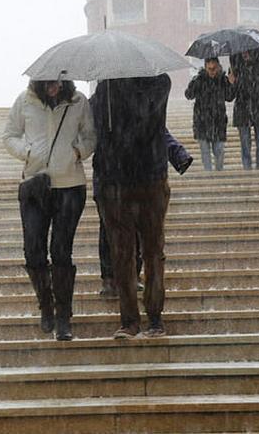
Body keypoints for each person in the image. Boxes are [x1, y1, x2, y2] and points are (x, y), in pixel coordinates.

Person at [4, 79, 96, 341]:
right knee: (33, 251)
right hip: (35, 184)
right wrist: (27, 151)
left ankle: (63, 316)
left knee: (60, 251)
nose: (52, 86)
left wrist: (77, 152)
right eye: (47, 82)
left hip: (70, 185)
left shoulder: (78, 102)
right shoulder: (25, 101)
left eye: (57, 81)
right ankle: (46, 303)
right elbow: (9, 135)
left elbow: (90, 136)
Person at [90, 74, 171, 339]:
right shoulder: (105, 89)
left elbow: (148, 122)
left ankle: (155, 317)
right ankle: (129, 321)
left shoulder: (160, 82)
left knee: (153, 251)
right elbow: (95, 128)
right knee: (122, 254)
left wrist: (119, 103)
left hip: (150, 178)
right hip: (115, 182)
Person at [96, 130, 192, 298]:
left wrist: (178, 154)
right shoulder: (101, 106)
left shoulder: (141, 107)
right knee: (107, 230)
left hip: (135, 176)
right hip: (108, 177)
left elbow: (158, 129)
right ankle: (109, 277)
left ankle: (132, 275)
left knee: (135, 227)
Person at [185, 57, 235, 171]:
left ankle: (219, 173)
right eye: (210, 68)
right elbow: (188, 95)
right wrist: (194, 83)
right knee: (205, 152)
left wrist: (232, 84)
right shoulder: (199, 79)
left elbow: (230, 97)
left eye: (214, 68)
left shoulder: (223, 80)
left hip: (218, 122)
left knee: (219, 151)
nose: (212, 71)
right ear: (205, 67)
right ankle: (209, 174)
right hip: (201, 122)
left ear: (218, 66)